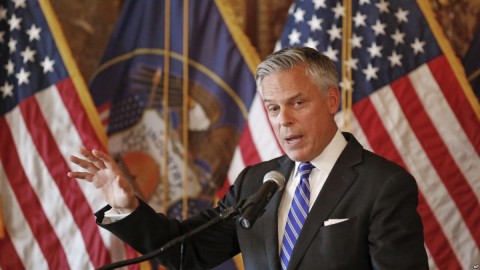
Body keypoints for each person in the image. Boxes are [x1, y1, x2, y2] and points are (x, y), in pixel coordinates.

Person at [68, 47, 429, 270]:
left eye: (297, 103)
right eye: (273, 108)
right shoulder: (257, 182)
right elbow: (186, 253)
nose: (283, 120)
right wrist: (128, 207)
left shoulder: (383, 185)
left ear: (331, 100)